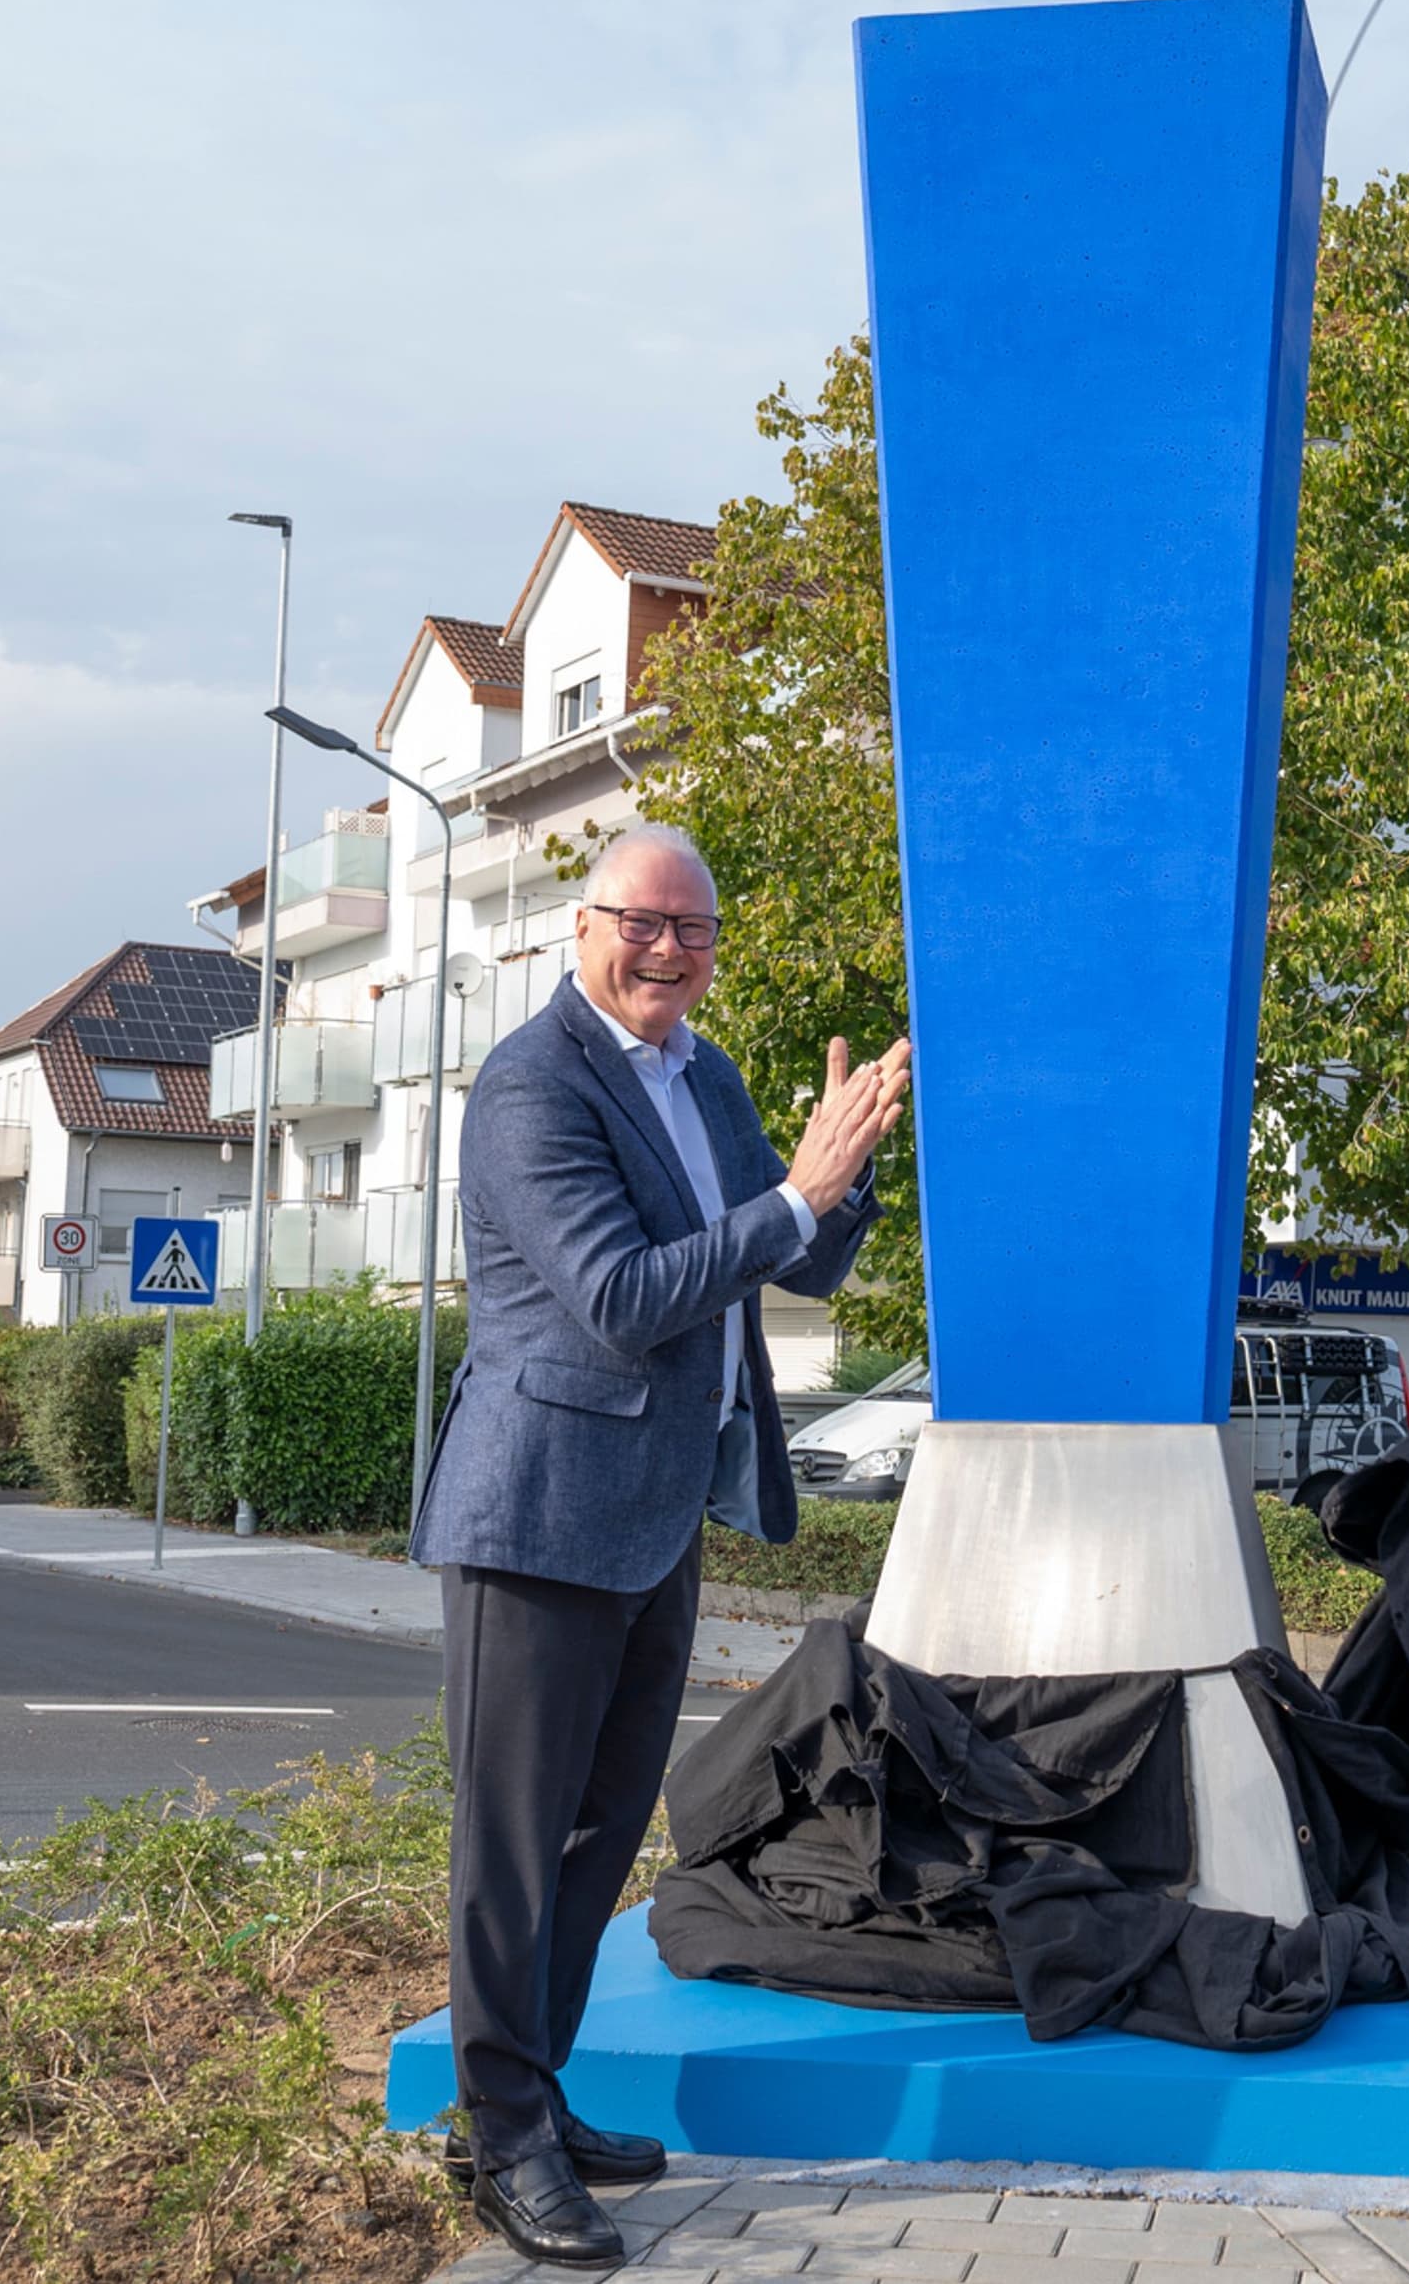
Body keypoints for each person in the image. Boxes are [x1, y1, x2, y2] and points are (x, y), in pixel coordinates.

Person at [411, 823, 911, 2266]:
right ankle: (498, 2138)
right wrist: (795, 1192)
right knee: (509, 1842)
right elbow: (622, 1296)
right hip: (538, 1508)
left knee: (596, 1828)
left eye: (695, 930)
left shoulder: (705, 1072)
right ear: (586, 923)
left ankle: (534, 2097)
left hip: (653, 1511)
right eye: (647, 923)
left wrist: (845, 1167)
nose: (671, 952)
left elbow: (796, 1254)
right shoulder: (531, 1085)